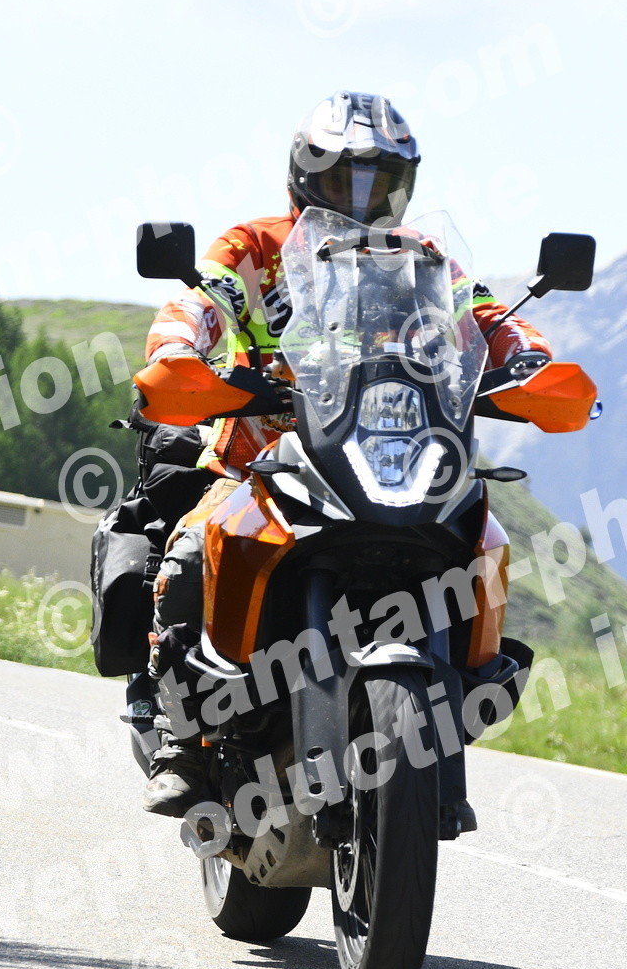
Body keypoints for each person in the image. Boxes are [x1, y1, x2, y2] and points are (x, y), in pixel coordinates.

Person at [139, 91, 554, 816]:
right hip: (263, 457)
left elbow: (484, 318)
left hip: (392, 452)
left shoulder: (424, 260)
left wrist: (529, 360)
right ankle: (183, 738)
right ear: (304, 174)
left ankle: (455, 700)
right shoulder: (254, 245)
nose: (361, 199)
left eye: (380, 181)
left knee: (481, 533)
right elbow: (198, 302)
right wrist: (178, 348)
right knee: (190, 547)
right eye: (342, 179)